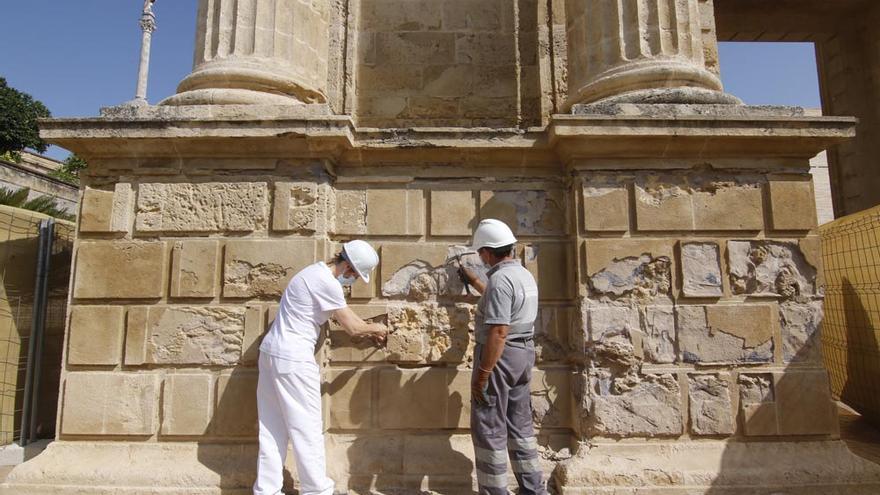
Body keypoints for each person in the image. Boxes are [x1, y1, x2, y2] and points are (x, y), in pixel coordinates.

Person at [254, 240, 388, 495]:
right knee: (308, 430)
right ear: (347, 266)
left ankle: (266, 490)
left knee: (272, 429)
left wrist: (368, 328)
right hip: (293, 359)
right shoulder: (327, 283)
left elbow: (349, 320)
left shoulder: (311, 273)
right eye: (355, 276)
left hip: (271, 354)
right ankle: (317, 490)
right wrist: (378, 328)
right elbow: (353, 327)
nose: (353, 281)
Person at [459, 219, 546, 495]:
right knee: (519, 425)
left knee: (489, 426)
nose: (480, 258)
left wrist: (483, 373)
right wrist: (476, 282)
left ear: (486, 252)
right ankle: (534, 490)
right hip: (523, 355)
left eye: (481, 253)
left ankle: (495, 491)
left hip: (500, 357)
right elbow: (505, 306)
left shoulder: (500, 280)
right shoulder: (523, 275)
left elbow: (498, 330)